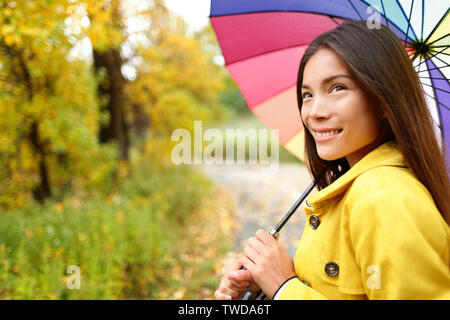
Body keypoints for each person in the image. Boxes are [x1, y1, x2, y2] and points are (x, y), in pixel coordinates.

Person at [215, 20, 450, 300]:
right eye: (307, 94)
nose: (314, 112)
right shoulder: (351, 188)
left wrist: (284, 287)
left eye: (337, 88)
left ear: (384, 100)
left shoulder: (384, 197)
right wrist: (262, 287)